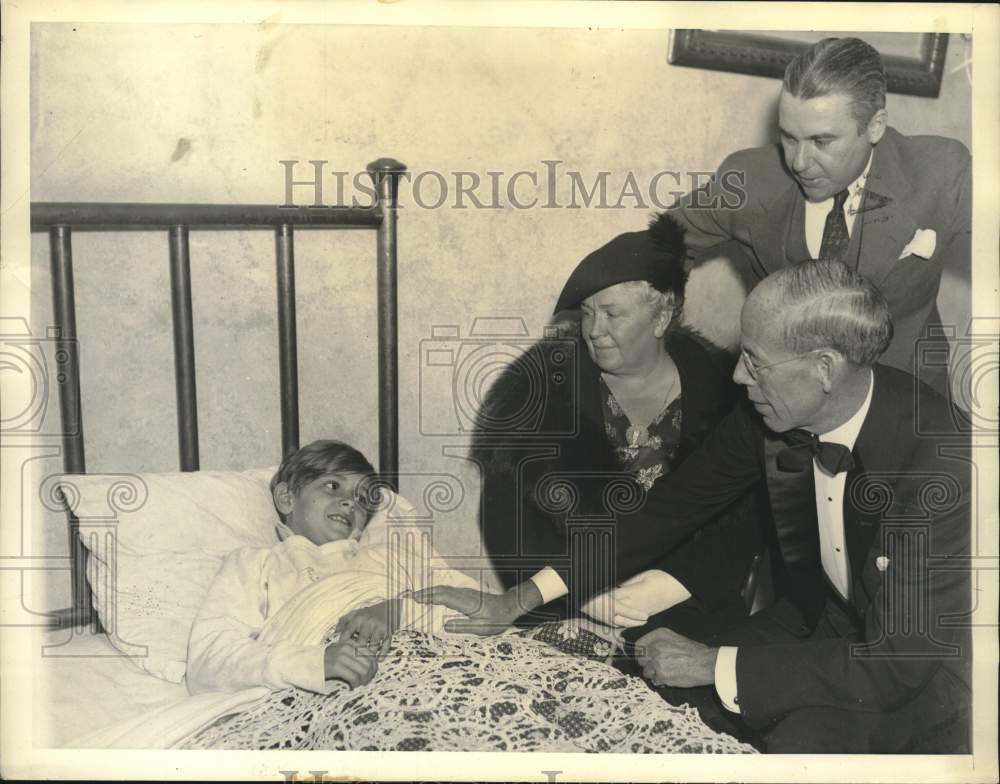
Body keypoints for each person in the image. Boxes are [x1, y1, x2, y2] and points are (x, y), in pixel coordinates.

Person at [631, 261, 971, 753]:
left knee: (795, 742)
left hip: (935, 676)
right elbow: (674, 504)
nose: (737, 375)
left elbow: (897, 664)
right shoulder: (773, 411)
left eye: (754, 360)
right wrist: (530, 594)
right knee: (660, 693)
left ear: (824, 368)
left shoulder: (944, 467)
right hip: (829, 623)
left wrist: (712, 663)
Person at [414, 213, 763, 645]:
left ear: (662, 315)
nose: (595, 331)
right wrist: (587, 597)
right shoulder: (536, 396)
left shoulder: (729, 395)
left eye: (612, 314)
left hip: (691, 602)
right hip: (564, 605)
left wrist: (666, 589)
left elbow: (742, 522)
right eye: (587, 314)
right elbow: (508, 524)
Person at [671, 37, 970, 398]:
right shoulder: (749, 179)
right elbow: (661, 243)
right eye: (789, 137)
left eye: (821, 141)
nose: (799, 162)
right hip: (786, 406)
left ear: (875, 126)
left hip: (908, 403)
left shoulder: (939, 171)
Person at [186, 439, 477, 695]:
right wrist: (317, 663)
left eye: (361, 499)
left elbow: (484, 608)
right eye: (333, 486)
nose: (350, 503)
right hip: (343, 692)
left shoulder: (394, 556)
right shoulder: (257, 563)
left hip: (443, 669)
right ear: (287, 498)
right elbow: (210, 660)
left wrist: (397, 611)